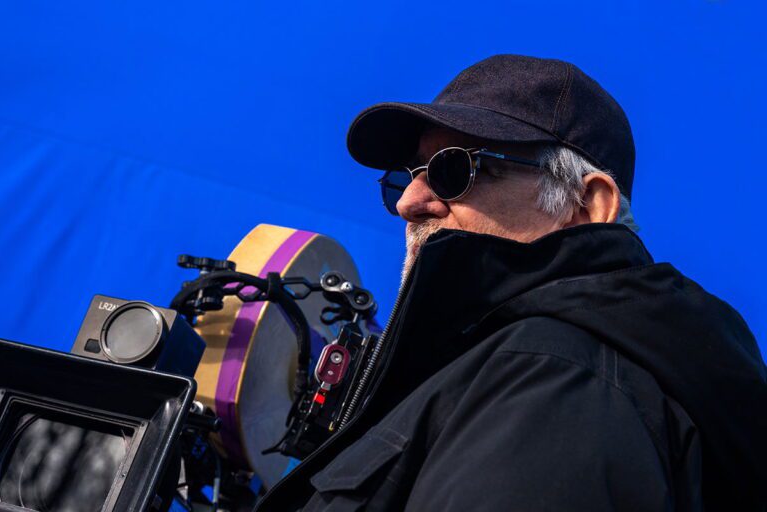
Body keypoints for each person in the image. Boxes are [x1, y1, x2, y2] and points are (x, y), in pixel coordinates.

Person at [255, 55, 766, 511]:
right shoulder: (512, 375)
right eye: (403, 178)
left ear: (587, 205)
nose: (409, 203)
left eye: (453, 169)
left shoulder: (555, 374)